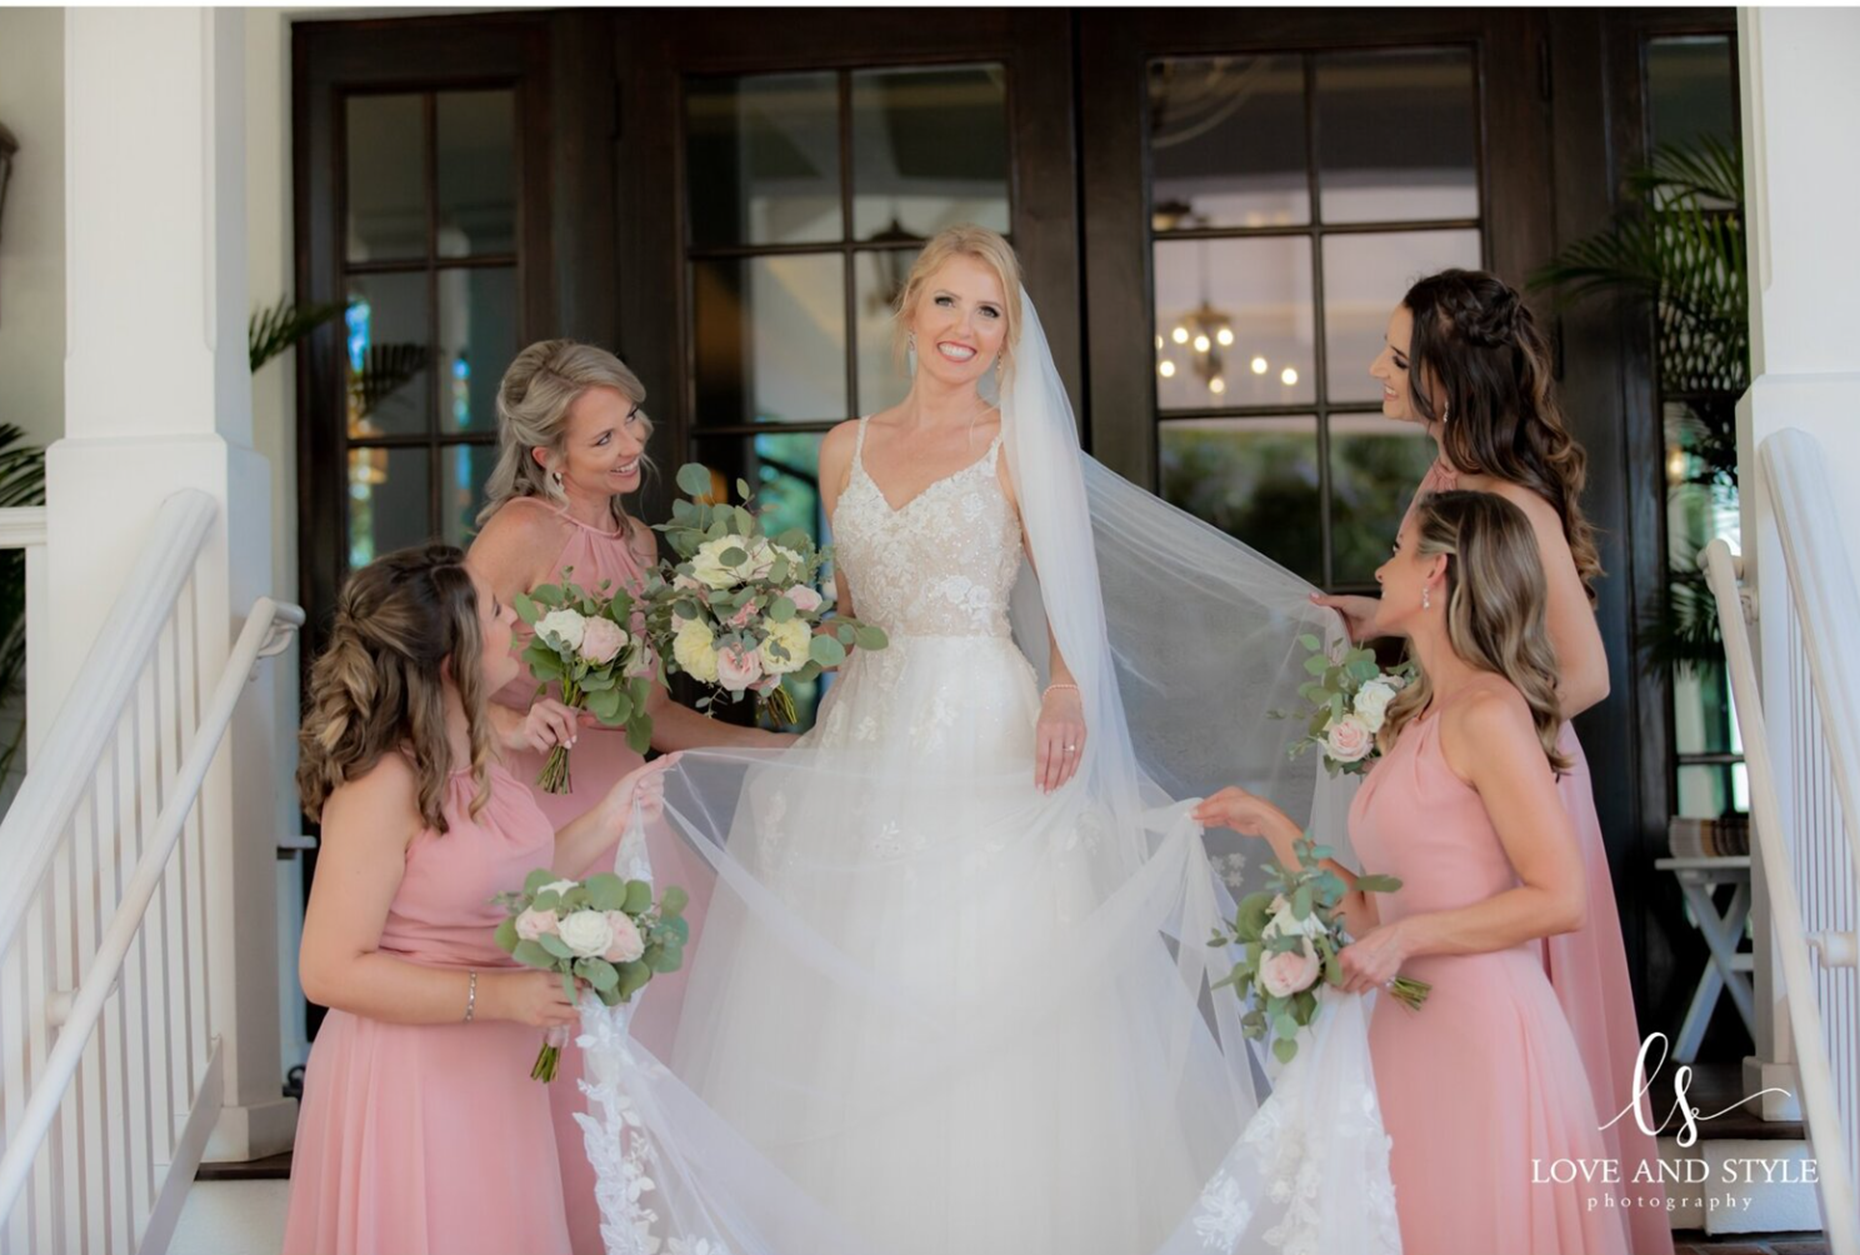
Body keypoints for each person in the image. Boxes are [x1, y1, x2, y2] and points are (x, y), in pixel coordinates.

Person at [565, 226, 1401, 1255]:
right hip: (866, 724)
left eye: (990, 311)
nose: (966, 328)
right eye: (949, 304)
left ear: (1009, 339)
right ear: (909, 311)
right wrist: (759, 628)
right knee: (844, 985)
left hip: (982, 722)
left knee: (979, 964)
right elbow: (846, 614)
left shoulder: (1017, 446)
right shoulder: (844, 448)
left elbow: (1071, 600)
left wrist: (1063, 689)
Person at [1314, 269, 1671, 1248]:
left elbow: (1586, 674)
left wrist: (1467, 715)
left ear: (1444, 375)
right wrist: (1383, 633)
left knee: (1527, 1027)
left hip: (1516, 792)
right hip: (1463, 773)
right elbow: (1456, 615)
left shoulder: (1510, 498)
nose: (1377, 370)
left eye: (1395, 356)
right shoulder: (1443, 480)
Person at [1198, 491, 1633, 1255]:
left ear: (1435, 571)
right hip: (1408, 1024)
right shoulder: (1422, 717)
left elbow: (1562, 896)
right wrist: (1272, 825)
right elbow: (1372, 910)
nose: (1379, 566)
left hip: (1482, 1031)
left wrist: (1410, 939)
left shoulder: (1488, 713)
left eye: (1397, 550)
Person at [466, 341, 787, 1251]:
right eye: (601, 435)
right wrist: (509, 723)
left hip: (630, 813)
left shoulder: (642, 543)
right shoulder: (520, 533)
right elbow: (432, 671)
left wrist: (786, 747)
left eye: (632, 422)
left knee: (659, 1026)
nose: (630, 445)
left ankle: (637, 1229)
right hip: (543, 814)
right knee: (565, 1035)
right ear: (547, 455)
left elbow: (648, 715)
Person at [281, 543, 670, 1255]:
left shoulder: (474, 750)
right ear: (452, 661)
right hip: (411, 1079)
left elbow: (504, 880)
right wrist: (502, 999)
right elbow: (328, 969)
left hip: (496, 1067)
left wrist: (616, 813)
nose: (516, 618)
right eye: (495, 611)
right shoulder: (382, 786)